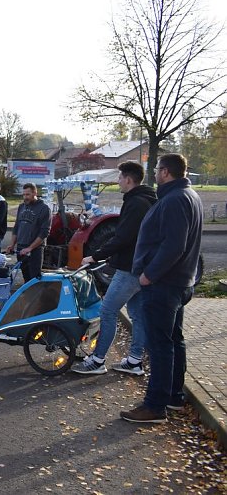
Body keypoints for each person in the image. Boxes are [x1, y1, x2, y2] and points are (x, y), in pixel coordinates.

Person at [120, 154, 203, 424]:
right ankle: (173, 396)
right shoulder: (188, 195)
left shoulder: (175, 199)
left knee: (159, 346)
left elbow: (173, 246)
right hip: (178, 282)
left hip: (164, 284)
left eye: (156, 169)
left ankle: (155, 406)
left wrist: (148, 275)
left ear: (165, 172)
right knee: (173, 341)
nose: (154, 173)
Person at [72, 161, 156, 376]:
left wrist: (94, 256)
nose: (117, 181)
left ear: (128, 179)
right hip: (139, 267)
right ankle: (134, 361)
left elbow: (123, 237)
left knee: (107, 310)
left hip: (130, 269)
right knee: (137, 314)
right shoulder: (146, 199)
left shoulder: (136, 203)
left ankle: (98, 360)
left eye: (119, 178)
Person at [6, 183, 50, 282]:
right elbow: (16, 227)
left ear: (35, 193)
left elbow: (44, 232)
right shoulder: (22, 207)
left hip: (35, 250)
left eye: (28, 194)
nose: (25, 197)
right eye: (24, 194)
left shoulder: (44, 208)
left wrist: (30, 248)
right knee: (26, 278)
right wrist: (12, 244)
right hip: (21, 248)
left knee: (34, 280)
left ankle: (37, 297)